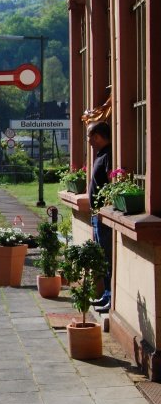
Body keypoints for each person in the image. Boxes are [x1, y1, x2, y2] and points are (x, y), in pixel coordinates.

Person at [87, 121, 113, 312]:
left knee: (106, 258)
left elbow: (110, 185)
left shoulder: (108, 155)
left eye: (90, 137)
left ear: (98, 136)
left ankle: (110, 297)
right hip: (98, 217)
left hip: (104, 218)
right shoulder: (101, 155)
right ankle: (105, 295)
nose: (89, 142)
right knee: (101, 259)